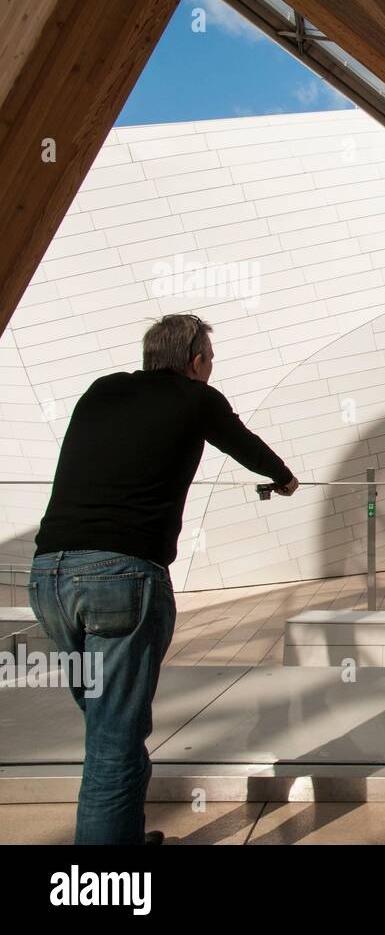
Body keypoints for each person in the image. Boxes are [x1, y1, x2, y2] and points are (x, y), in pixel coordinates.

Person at [28, 314, 298, 845]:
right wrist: (284, 479)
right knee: (114, 739)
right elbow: (245, 446)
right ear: (196, 361)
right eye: (211, 359)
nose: (211, 367)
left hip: (49, 577)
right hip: (121, 576)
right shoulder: (197, 398)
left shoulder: (100, 391)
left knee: (109, 728)